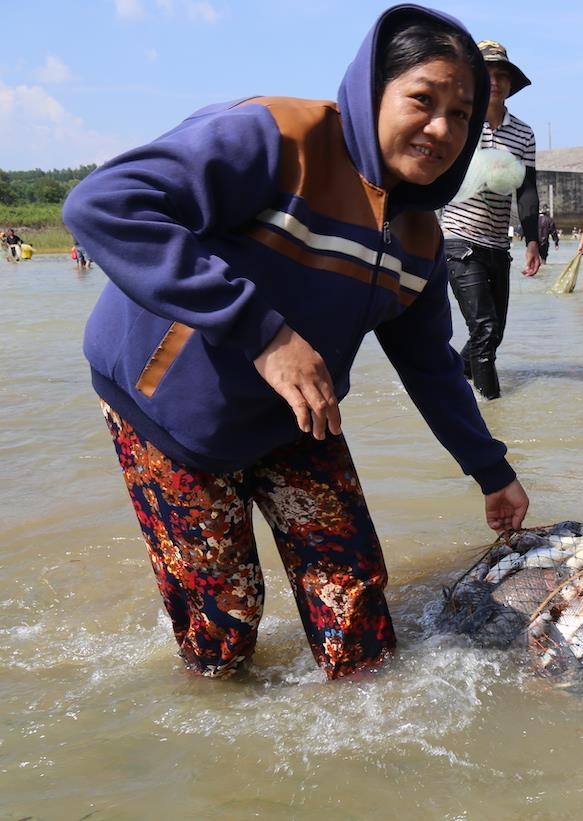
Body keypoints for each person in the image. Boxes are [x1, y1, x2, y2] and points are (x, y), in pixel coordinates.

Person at [61, 6, 530, 682]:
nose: (441, 129)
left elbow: (429, 364)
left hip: (295, 413)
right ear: (374, 90)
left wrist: (492, 470)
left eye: (461, 115)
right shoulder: (278, 137)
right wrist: (264, 331)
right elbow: (105, 204)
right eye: (423, 100)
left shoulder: (421, 236)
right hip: (168, 409)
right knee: (225, 629)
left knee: (357, 599)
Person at [440, 39, 541, 400]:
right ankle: (492, 413)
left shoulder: (523, 133)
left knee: (493, 332)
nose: (495, 81)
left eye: (502, 75)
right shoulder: (458, 122)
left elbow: (527, 191)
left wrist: (533, 241)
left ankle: (444, 376)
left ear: (511, 84)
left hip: (499, 243)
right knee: (484, 329)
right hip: (458, 237)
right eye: (487, 74)